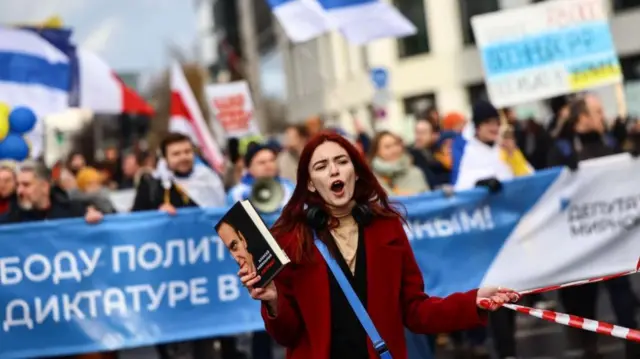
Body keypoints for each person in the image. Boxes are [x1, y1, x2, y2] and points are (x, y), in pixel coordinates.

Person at [237, 131, 520, 359]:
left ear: (356, 172)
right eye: (321, 167)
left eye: (342, 161)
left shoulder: (386, 227)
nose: (334, 170)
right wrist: (273, 301)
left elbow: (416, 311)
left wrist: (474, 300)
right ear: (310, 184)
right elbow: (287, 334)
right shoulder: (290, 239)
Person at [547, 94, 639, 359]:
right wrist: (562, 170)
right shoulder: (562, 149)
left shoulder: (611, 143)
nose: (603, 116)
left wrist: (632, 156)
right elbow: (547, 182)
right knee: (583, 300)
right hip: (581, 243)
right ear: (582, 119)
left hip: (614, 237)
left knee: (622, 296)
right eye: (597, 111)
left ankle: (632, 348)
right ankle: (590, 347)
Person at [369, 131, 429, 196]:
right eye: (387, 147)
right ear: (377, 152)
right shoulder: (373, 180)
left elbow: (428, 200)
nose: (394, 150)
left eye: (396, 144)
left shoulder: (415, 173)